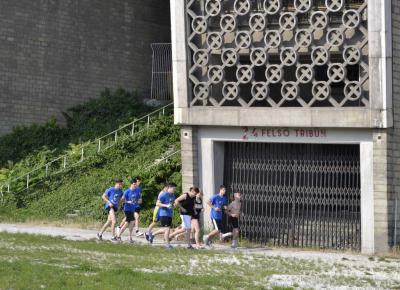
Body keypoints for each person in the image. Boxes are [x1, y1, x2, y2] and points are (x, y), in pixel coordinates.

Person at [155, 182, 177, 249]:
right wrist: (166, 205)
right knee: (167, 230)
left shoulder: (173, 195)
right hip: (163, 214)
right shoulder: (164, 194)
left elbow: (172, 204)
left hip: (169, 214)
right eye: (173, 189)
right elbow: (157, 203)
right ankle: (167, 245)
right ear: (169, 188)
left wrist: (173, 206)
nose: (174, 190)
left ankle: (167, 244)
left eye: (175, 189)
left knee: (167, 229)